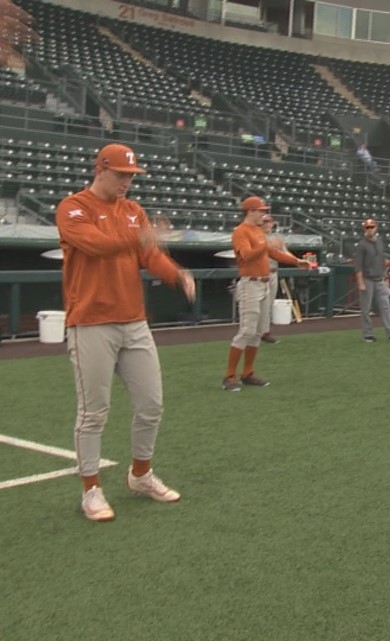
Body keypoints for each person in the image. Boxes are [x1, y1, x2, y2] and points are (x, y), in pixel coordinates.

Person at [56, 143, 197, 522]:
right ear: (100, 169)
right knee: (93, 413)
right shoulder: (73, 207)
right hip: (90, 323)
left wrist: (175, 274)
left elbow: (149, 255)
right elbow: (97, 245)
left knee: (151, 404)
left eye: (131, 177)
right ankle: (91, 491)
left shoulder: (133, 211)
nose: (127, 183)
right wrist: (142, 241)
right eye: (121, 175)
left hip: (134, 322)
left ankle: (140, 474)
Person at [222, 197, 311, 391]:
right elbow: (246, 255)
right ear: (250, 211)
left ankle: (247, 373)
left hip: (263, 284)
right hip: (250, 284)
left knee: (257, 332)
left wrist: (296, 261)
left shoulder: (257, 231)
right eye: (261, 211)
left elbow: (273, 253)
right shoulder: (241, 232)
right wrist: (264, 244)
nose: (264, 214)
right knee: (246, 331)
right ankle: (229, 376)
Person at [355, 218, 390, 344]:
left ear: (376, 228)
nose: (370, 229)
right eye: (367, 227)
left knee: (385, 306)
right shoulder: (362, 245)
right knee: (366, 309)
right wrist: (360, 282)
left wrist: (386, 271)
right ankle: (368, 334)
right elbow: (358, 265)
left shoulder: (379, 241)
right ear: (364, 229)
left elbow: (380, 259)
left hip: (379, 279)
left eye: (372, 227)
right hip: (367, 279)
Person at [260, 213, 283, 344]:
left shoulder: (277, 238)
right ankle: (255, 333)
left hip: (273, 272)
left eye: (269, 221)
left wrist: (298, 261)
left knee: (268, 305)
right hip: (259, 274)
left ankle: (265, 332)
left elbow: (284, 253)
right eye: (264, 221)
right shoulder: (256, 236)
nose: (267, 224)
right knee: (258, 306)